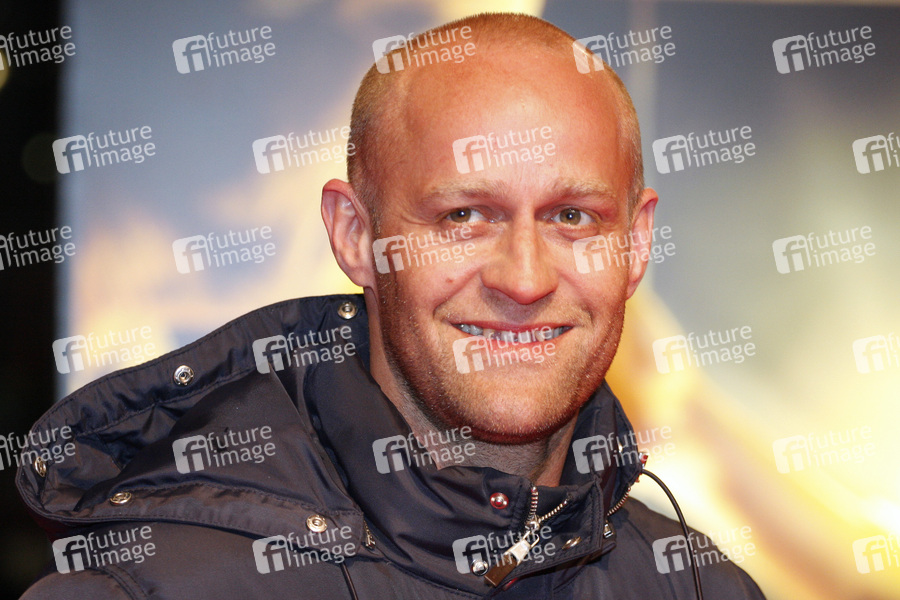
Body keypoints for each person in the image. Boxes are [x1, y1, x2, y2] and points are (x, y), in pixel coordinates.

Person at [18, 12, 765, 599]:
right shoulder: (145, 590)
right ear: (355, 235)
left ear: (635, 244)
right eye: (464, 216)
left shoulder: (704, 587)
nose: (525, 279)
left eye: (573, 217)